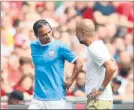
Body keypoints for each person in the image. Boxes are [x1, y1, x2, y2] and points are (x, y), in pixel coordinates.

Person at [28, 19, 83, 109]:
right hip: (37, 97)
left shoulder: (60, 46)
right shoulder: (33, 45)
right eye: (44, 34)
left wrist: (70, 81)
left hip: (55, 98)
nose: (48, 35)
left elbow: (79, 63)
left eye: (49, 32)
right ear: (36, 35)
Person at [76, 19, 117, 109]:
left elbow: (112, 67)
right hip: (98, 102)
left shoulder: (95, 48)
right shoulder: (96, 46)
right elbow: (112, 63)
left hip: (99, 102)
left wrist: (101, 89)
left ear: (83, 33)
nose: (76, 35)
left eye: (77, 32)